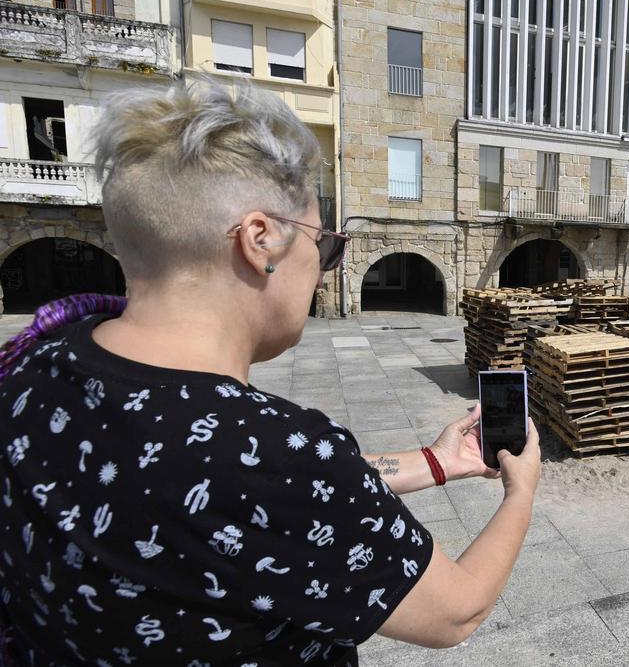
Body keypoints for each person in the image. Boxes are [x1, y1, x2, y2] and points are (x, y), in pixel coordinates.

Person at [0, 79, 541, 665]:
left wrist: (437, 462)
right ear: (262, 240)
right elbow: (456, 610)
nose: (325, 270)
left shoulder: (33, 368)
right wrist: (521, 490)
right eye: (326, 246)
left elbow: (243, 497)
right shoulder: (276, 452)